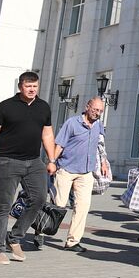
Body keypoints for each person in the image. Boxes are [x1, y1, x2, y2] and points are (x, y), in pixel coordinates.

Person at [0, 71, 58, 266]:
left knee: (39, 198)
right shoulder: (5, 107)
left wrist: (51, 159)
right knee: (3, 205)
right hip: (8, 161)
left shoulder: (43, 107)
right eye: (28, 86)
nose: (32, 90)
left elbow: (47, 135)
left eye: (35, 86)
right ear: (20, 87)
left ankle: (14, 237)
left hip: (34, 162)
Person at [51, 97, 106, 252]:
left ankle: (73, 241)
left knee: (82, 207)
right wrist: (52, 162)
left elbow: (100, 145)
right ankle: (42, 230)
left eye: (100, 111)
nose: (97, 113)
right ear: (87, 107)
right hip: (66, 169)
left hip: (86, 172)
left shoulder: (98, 125)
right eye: (95, 109)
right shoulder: (72, 123)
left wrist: (103, 162)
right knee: (58, 205)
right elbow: (60, 144)